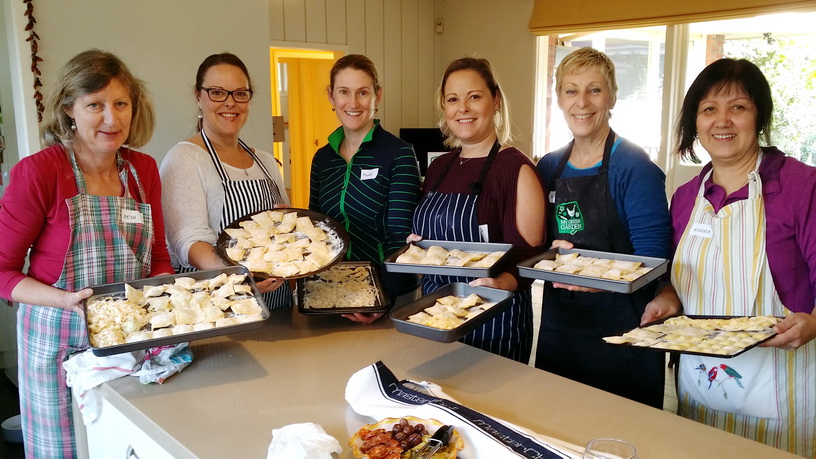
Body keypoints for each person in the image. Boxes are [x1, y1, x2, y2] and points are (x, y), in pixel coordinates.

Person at [0, 49, 174, 458]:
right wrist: (64, 300)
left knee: (127, 445)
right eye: (95, 105)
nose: (111, 119)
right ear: (69, 110)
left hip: (126, 342)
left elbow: (158, 255)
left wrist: (170, 303)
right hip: (57, 347)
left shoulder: (142, 170)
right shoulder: (40, 172)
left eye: (120, 104)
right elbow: (3, 272)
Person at [644, 58, 816, 457]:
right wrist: (668, 297)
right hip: (701, 387)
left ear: (759, 115)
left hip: (783, 392)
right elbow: (679, 274)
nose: (722, 121)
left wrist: (812, 322)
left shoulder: (801, 186)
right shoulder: (686, 196)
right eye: (709, 109)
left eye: (738, 107)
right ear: (695, 122)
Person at [533, 47, 671, 408]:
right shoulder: (549, 166)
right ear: (559, 98)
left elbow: (654, 258)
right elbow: (532, 242)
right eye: (571, 90)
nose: (582, 102)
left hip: (624, 330)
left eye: (594, 89)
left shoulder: (634, 166)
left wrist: (597, 278)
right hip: (561, 327)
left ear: (611, 97)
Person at [409, 57, 546, 363]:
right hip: (433, 315)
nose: (464, 108)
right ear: (444, 107)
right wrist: (415, 250)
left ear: (495, 101)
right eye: (453, 99)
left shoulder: (515, 168)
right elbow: (433, 241)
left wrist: (501, 284)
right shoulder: (439, 167)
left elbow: (531, 257)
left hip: (493, 320)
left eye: (474, 97)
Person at [161, 53, 292, 309]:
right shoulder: (185, 158)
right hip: (222, 307)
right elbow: (189, 242)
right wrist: (241, 276)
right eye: (218, 92)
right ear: (198, 97)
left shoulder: (265, 161)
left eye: (240, 93)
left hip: (278, 304)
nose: (230, 103)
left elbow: (286, 225)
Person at [309, 54, 421, 322]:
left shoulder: (398, 154)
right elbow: (315, 230)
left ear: (377, 96)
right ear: (331, 96)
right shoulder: (323, 159)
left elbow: (400, 236)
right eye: (344, 92)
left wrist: (380, 299)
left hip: (388, 296)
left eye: (363, 92)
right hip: (332, 293)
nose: (353, 102)